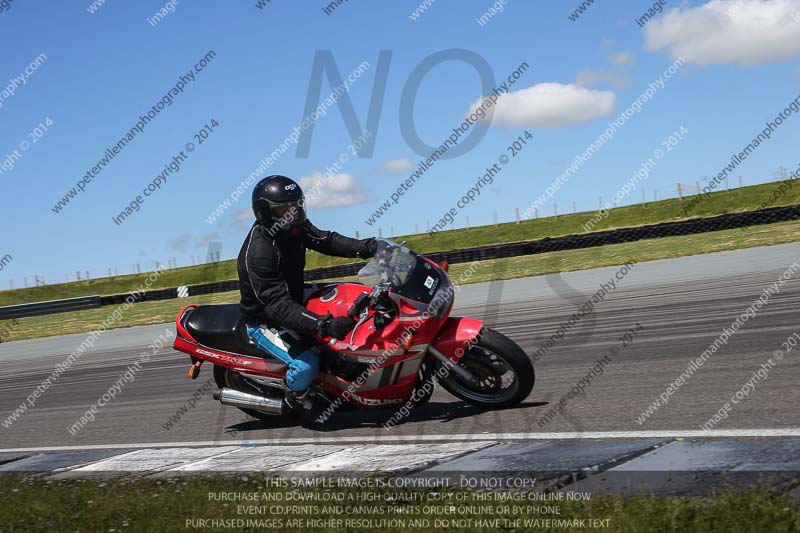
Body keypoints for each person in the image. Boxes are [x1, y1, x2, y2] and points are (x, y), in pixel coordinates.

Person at [237, 174, 377, 413]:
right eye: (285, 210)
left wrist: (367, 247)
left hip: (294, 297)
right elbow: (278, 307)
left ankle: (345, 373)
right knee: (307, 365)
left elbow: (326, 241)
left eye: (297, 206)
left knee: (352, 298)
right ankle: (295, 398)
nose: (293, 214)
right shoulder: (259, 253)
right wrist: (323, 326)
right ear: (265, 212)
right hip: (266, 319)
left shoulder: (293, 227)